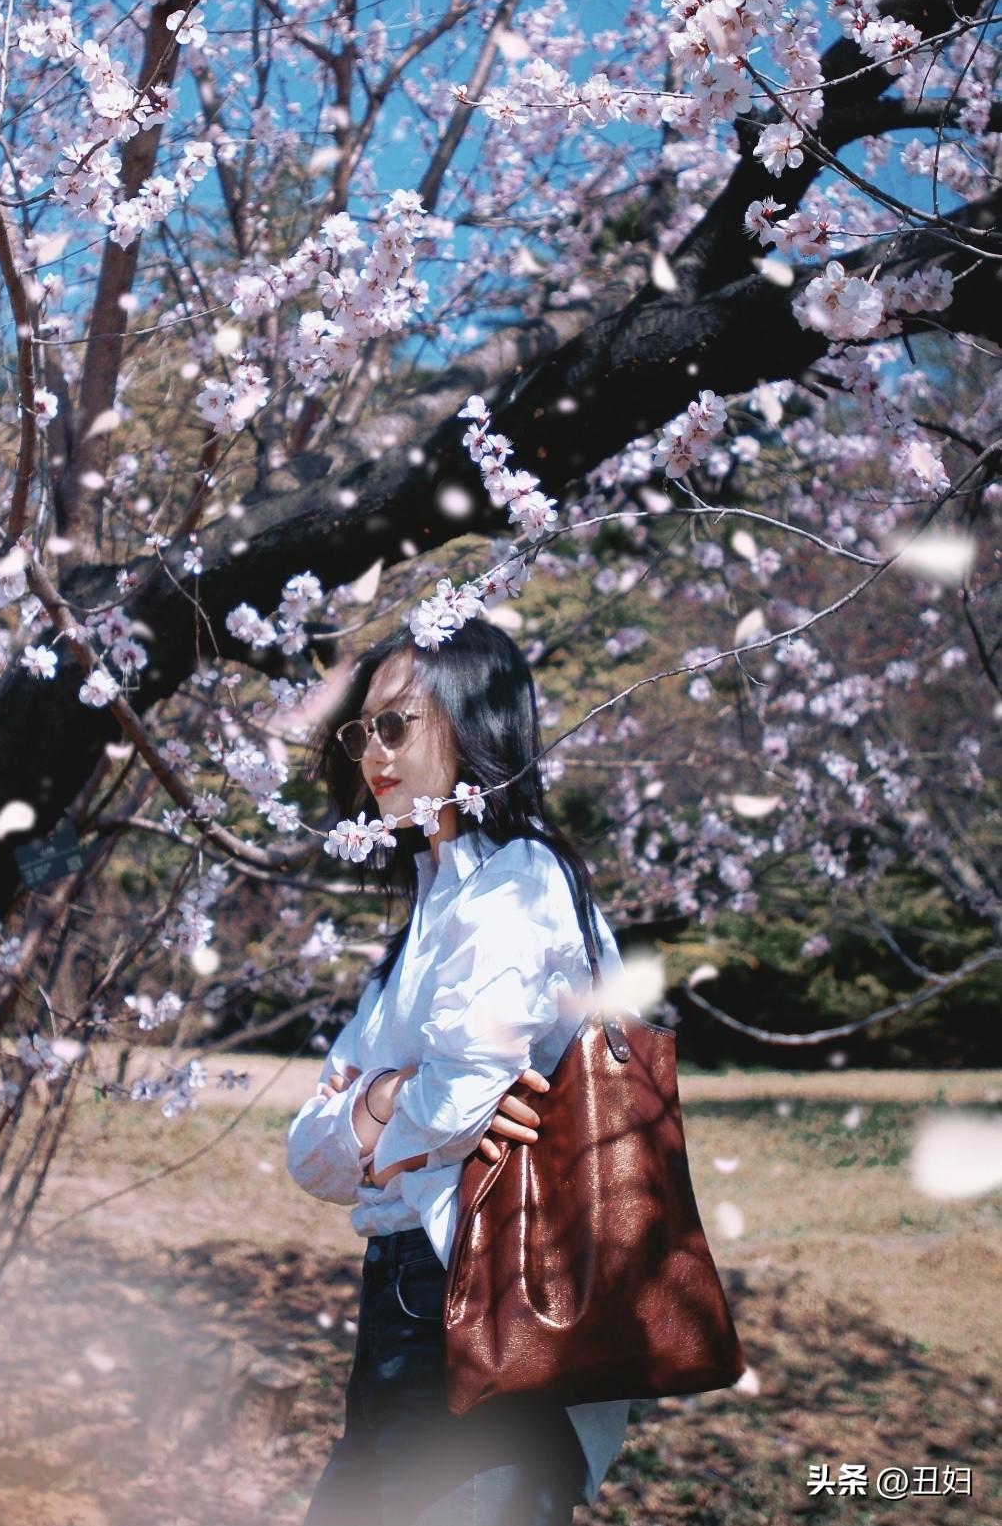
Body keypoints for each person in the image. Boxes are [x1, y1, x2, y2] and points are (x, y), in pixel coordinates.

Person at [287, 618, 635, 1525]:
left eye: (395, 724)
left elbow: (457, 1099)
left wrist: (384, 1117)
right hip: (400, 1310)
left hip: (488, 1306)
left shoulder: (520, 882)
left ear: (471, 719)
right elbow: (308, 1152)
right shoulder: (425, 921)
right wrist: (392, 1095)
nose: (373, 753)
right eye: (361, 731)